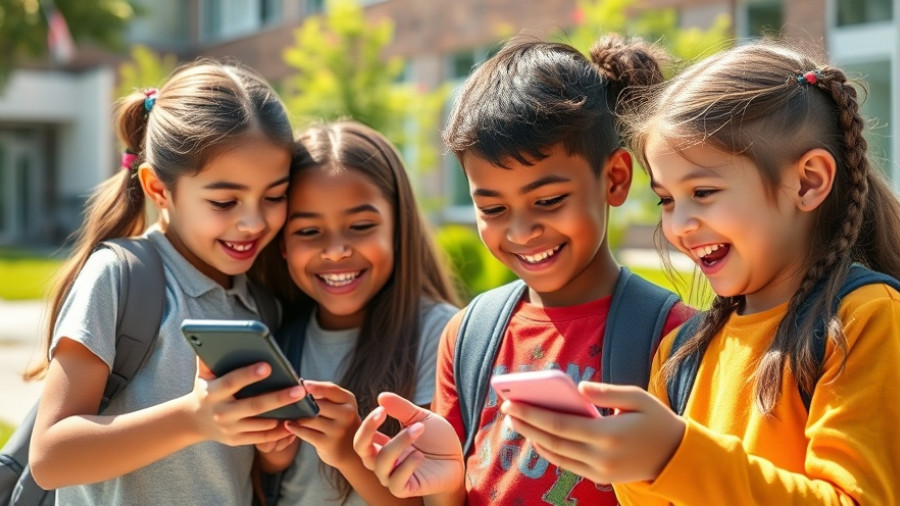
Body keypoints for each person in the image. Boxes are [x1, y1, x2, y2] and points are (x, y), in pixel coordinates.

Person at [502, 42, 900, 504]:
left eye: (704, 191)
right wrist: (622, 462)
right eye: (667, 200)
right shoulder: (682, 352)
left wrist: (673, 455)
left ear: (808, 181)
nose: (679, 225)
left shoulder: (867, 321)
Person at [352, 36, 695, 505]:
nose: (521, 231)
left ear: (614, 178)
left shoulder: (678, 339)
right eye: (492, 208)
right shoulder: (469, 335)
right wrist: (444, 483)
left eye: (548, 201)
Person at [27, 60, 306, 505]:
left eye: (274, 196)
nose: (254, 221)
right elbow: (49, 458)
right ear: (159, 189)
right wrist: (192, 419)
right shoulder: (120, 277)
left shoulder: (260, 306)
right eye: (224, 201)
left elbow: (230, 467)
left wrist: (273, 448)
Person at [256, 121, 459, 505]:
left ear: (399, 228)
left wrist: (349, 453)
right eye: (308, 232)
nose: (335, 251)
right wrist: (270, 456)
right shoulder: (278, 337)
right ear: (281, 244)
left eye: (361, 226)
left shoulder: (442, 336)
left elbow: (435, 498)